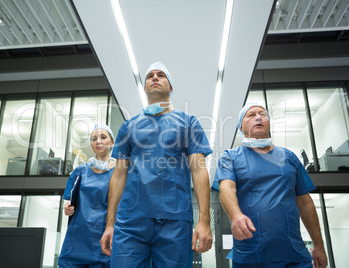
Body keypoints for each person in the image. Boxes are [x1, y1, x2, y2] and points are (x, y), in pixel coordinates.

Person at [100, 61, 213, 267]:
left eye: (161, 75)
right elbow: (118, 175)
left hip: (175, 220)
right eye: (150, 75)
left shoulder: (188, 123)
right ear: (144, 88)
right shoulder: (129, 126)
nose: (154, 77)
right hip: (130, 221)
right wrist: (110, 224)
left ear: (171, 87)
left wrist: (204, 221)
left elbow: (199, 170)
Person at [212, 102, 328, 268]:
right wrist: (235, 215)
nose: (258, 117)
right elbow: (227, 188)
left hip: (294, 255)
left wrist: (319, 245)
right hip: (250, 256)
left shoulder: (289, 157)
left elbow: (305, 202)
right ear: (241, 127)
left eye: (262, 114)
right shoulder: (230, 157)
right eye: (251, 115)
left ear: (268, 122)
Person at [58, 123, 116, 268]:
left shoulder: (120, 173)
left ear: (112, 142)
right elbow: (69, 201)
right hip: (79, 238)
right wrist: (68, 208)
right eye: (94, 138)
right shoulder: (80, 172)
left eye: (103, 137)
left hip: (107, 236)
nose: (98, 141)